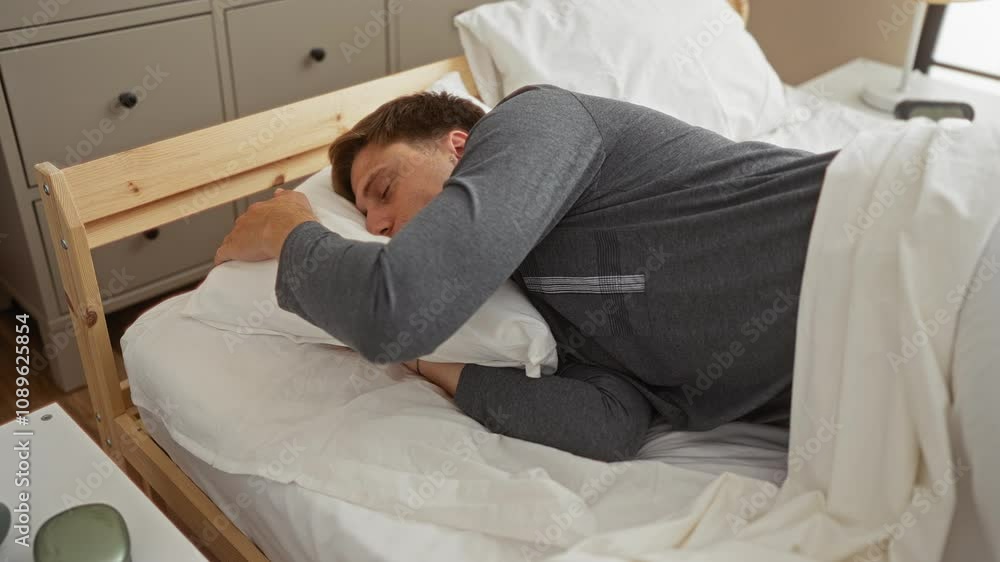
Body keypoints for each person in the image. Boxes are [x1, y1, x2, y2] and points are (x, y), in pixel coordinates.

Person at [213, 85, 837, 462]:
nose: (376, 224)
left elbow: (398, 308)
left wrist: (289, 231)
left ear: (459, 145)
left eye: (383, 189)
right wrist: (426, 363)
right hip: (851, 386)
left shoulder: (539, 120)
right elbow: (607, 424)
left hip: (859, 238)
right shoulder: (533, 294)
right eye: (366, 216)